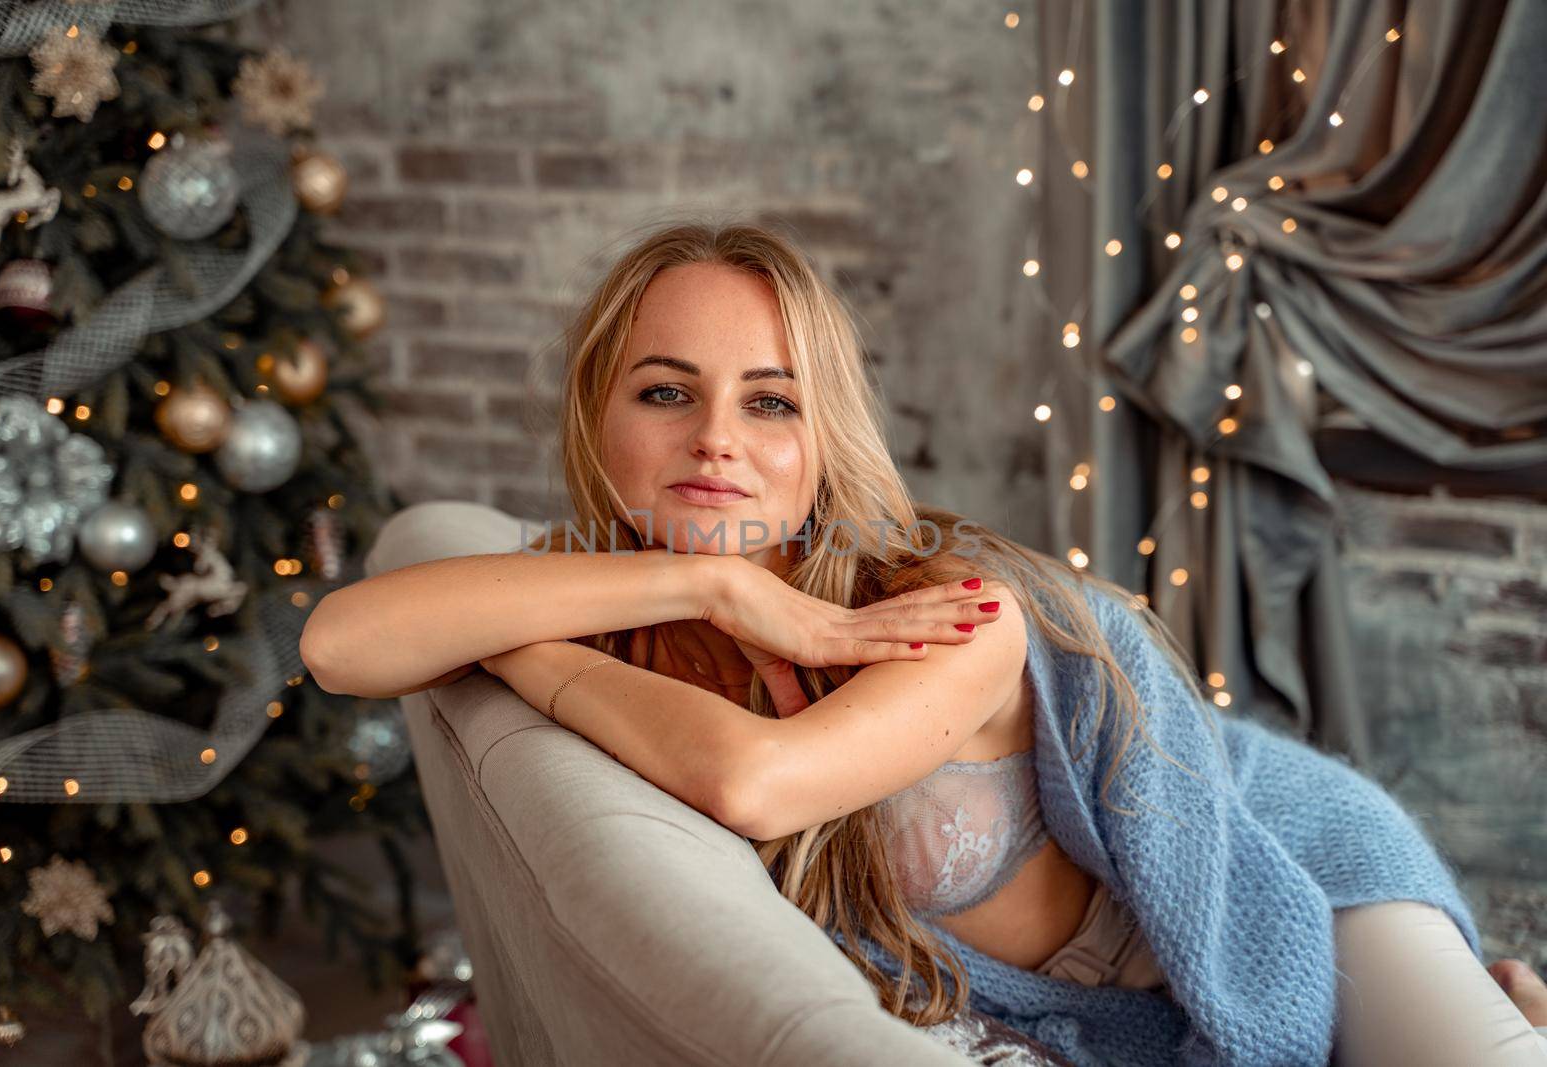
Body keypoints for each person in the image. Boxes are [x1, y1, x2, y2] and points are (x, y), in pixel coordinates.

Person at [299, 219, 1547, 1066]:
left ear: (823, 434)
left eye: (770, 400)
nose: (716, 439)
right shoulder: (617, 595)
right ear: (599, 413)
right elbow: (345, 642)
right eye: (666, 390)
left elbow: (753, 780)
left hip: (1290, 886)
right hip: (1097, 1008)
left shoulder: (950, 608)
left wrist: (530, 648)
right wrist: (719, 590)